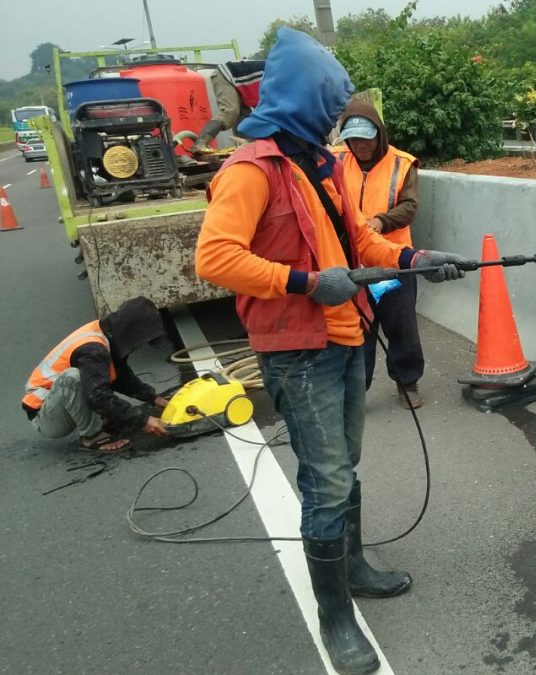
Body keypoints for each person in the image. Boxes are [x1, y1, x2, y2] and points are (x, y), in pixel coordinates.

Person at [194, 28, 467, 675]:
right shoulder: (251, 169)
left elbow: (359, 244)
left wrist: (416, 258)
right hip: (298, 350)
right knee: (325, 481)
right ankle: (336, 616)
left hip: (345, 338)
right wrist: (306, 282)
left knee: (345, 465)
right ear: (305, 95)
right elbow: (215, 257)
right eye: (331, 100)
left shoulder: (321, 164)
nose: (338, 115)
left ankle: (355, 566)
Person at [333, 100, 426, 409]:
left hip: (393, 261)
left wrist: (380, 222)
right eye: (353, 139)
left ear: (380, 135)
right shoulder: (334, 161)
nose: (360, 145)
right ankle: (357, 390)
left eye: (366, 138)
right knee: (359, 328)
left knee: (400, 324)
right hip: (351, 263)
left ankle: (407, 383)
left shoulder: (403, 163)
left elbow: (409, 206)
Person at [22, 296, 170, 453]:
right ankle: (91, 436)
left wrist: (153, 398)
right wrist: (143, 421)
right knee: (74, 378)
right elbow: (97, 396)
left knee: (95, 380)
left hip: (63, 405)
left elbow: (120, 376)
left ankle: (99, 420)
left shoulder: (106, 334)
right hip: (46, 417)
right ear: (131, 331)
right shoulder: (92, 348)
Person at [189, 60, 266, 155]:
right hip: (227, 75)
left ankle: (246, 151)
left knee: (245, 121)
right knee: (230, 112)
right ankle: (200, 143)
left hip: (240, 84)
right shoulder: (276, 74)